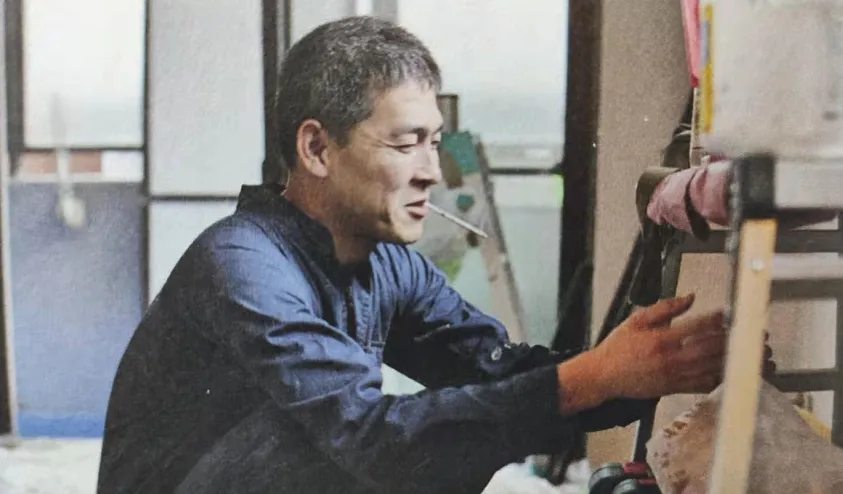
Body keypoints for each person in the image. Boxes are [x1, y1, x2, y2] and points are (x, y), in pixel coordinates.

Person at [96, 16, 729, 494]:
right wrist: (595, 377)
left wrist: (641, 370)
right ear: (317, 149)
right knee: (364, 439)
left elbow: (493, 373)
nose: (430, 171)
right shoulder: (242, 265)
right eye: (405, 144)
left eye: (435, 142)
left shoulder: (387, 263)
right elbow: (368, 437)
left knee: (461, 420)